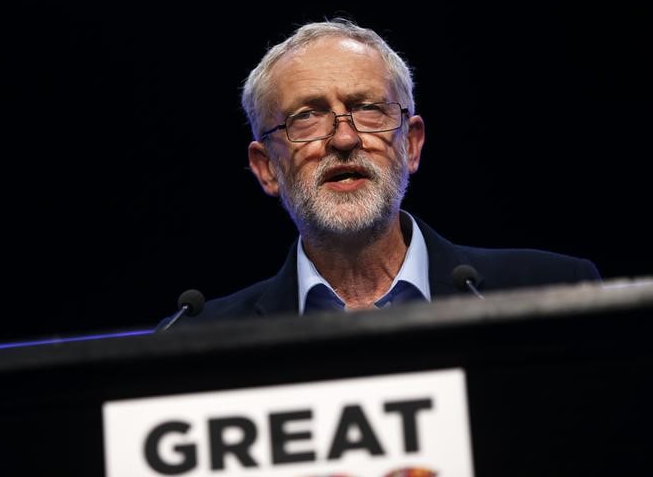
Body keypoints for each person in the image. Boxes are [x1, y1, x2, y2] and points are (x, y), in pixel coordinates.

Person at [160, 18, 600, 325]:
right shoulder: (201, 340)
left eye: (368, 110)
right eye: (307, 118)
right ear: (266, 168)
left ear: (410, 144)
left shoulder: (553, 291)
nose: (345, 139)